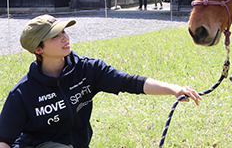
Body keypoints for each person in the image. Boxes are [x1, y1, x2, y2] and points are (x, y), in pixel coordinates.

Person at [0, 14, 201, 148]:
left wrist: (174, 89)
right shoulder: (23, 92)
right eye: (55, 36)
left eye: (64, 31)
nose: (64, 38)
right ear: (38, 49)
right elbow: (4, 139)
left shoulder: (87, 69)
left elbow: (130, 82)